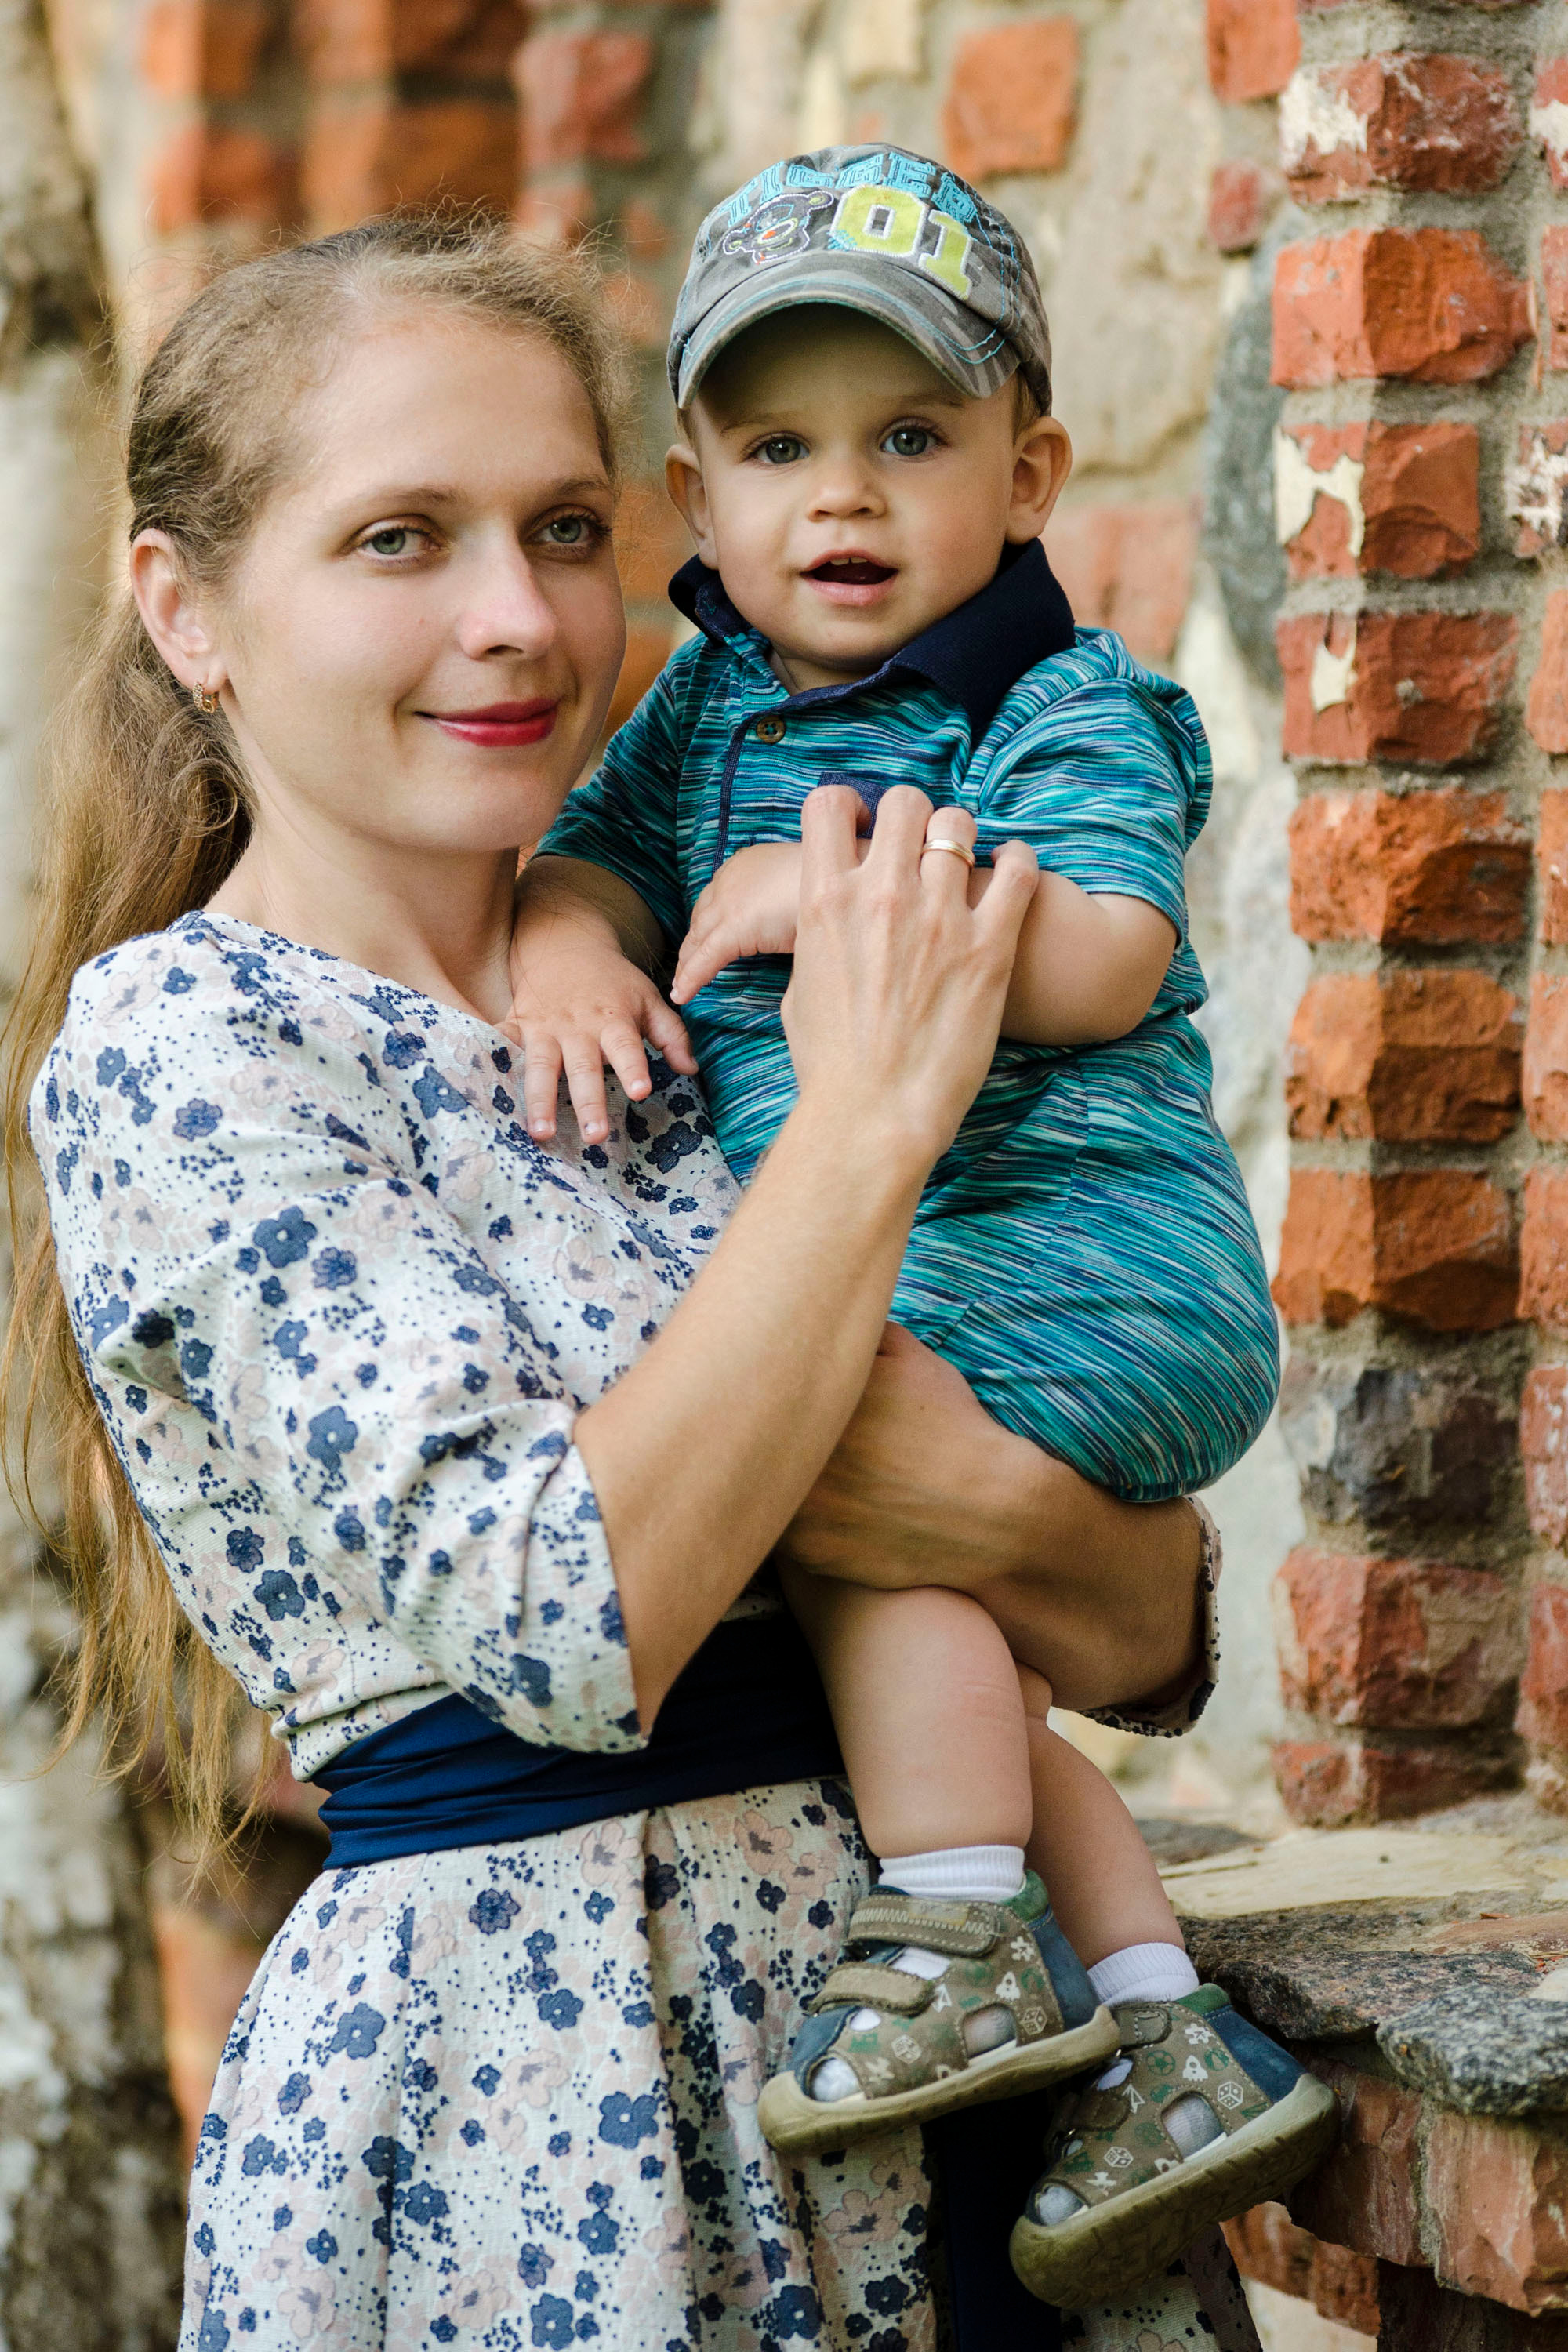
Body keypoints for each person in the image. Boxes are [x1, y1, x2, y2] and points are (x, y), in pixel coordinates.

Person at [2, 212, 1268, 2350]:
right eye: (400, 538)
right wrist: (870, 1131)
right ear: (187, 607)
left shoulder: (697, 994)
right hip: (549, 2113)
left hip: (970, 2071)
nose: (515, 619)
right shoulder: (191, 1049)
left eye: (566, 528)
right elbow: (563, 1619)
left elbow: (1148, 1626)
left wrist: (908, 1486)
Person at [507, 143, 1336, 2307]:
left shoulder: (1053, 704)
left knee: (834, 1474)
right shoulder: (696, 716)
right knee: (908, 1568)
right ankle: (1160, 2029)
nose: (842, 498)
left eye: (911, 437)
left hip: (1076, 1254)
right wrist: (580, 952)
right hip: (943, 1270)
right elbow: (587, 868)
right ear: (697, 488)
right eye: (778, 448)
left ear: (1031, 470)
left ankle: (963, 1923)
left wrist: (848, 879)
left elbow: (1113, 960)